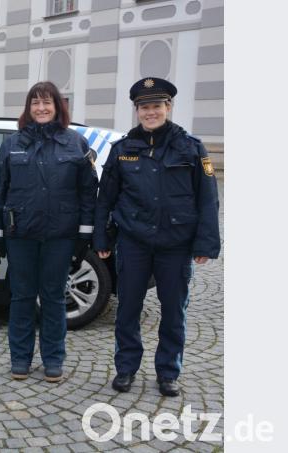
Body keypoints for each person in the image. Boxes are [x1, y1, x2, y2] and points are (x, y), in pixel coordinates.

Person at [93, 77, 220, 397]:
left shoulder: (191, 147)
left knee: (174, 310)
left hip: (176, 244)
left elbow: (207, 199)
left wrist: (205, 243)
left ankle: (168, 372)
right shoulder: (123, 150)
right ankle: (126, 368)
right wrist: (101, 239)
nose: (151, 112)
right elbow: (105, 198)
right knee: (127, 310)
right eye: (144, 107)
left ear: (169, 107)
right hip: (134, 242)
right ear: (137, 111)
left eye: (157, 106)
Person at [0, 81, 98, 383]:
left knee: (54, 298)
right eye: (35, 102)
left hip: (60, 236)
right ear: (28, 108)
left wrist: (84, 237)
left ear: (58, 107)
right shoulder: (13, 144)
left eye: (47, 102)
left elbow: (88, 192)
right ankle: (20, 359)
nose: (41, 108)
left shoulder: (76, 143)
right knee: (22, 298)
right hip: (20, 234)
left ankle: (53, 360)